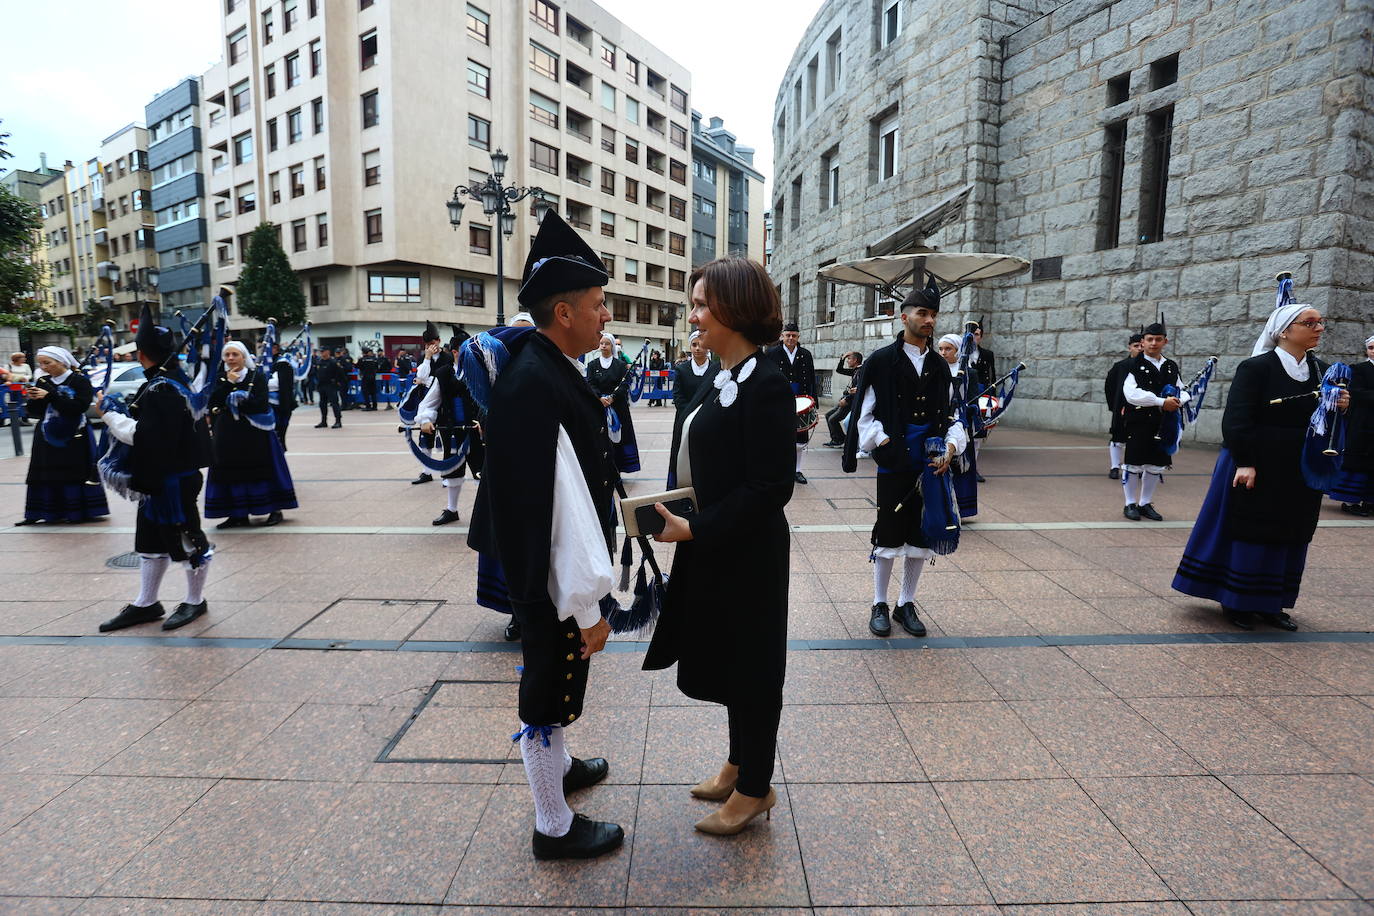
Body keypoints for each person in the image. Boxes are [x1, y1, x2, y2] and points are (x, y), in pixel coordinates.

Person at [467, 210, 623, 860]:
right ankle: (552, 825)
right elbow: (561, 509)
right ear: (564, 312)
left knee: (558, 688)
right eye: (597, 305)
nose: (605, 316)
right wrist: (588, 607)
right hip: (554, 579)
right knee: (547, 696)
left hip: (549, 573)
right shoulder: (538, 382)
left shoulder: (548, 366)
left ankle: (559, 769)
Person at [645, 257, 795, 836]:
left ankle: (756, 788)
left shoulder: (769, 382)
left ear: (734, 309)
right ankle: (738, 764)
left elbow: (770, 487)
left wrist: (696, 529)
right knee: (733, 662)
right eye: (694, 304)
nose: (694, 315)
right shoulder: (723, 375)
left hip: (748, 553)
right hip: (715, 545)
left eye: (703, 304)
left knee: (755, 669)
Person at [1173, 302, 1349, 631]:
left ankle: (1272, 603)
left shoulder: (1323, 371)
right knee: (1251, 527)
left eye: (1320, 322)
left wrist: (1340, 406)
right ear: (1283, 331)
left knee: (1291, 530)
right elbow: (1237, 419)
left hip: (1299, 465)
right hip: (1257, 461)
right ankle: (1237, 601)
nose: (1319, 328)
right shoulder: (1256, 368)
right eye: (1310, 323)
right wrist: (1245, 462)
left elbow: (1325, 422)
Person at [842, 279, 967, 639]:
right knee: (889, 533)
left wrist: (950, 449)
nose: (929, 320)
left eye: (933, 315)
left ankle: (905, 603)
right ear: (904, 317)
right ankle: (879, 603)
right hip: (895, 462)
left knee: (921, 535)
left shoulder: (941, 366)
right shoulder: (881, 361)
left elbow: (952, 414)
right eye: (922, 313)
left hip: (931, 463)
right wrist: (886, 447)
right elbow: (864, 416)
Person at [95, 304, 215, 632]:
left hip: (171, 481)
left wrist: (108, 414)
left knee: (187, 542)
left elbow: (144, 437)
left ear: (143, 354)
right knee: (150, 543)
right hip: (158, 479)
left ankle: (195, 600)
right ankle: (146, 603)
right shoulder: (168, 381)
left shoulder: (163, 388)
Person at [204, 342, 298, 529]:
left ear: (244, 357)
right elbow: (213, 401)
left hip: (255, 432)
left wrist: (240, 401)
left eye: (235, 354)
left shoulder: (257, 376)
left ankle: (274, 509)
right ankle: (237, 514)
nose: (230, 358)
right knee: (230, 471)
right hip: (228, 432)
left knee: (263, 469)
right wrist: (229, 385)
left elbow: (262, 404)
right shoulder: (220, 377)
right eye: (227, 355)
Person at [15, 346, 109, 526]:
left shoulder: (79, 381)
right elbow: (36, 412)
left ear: (61, 362)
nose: (43, 367)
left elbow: (78, 407)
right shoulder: (42, 381)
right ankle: (39, 511)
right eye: (41, 363)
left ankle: (76, 511)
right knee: (42, 471)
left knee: (72, 471)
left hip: (74, 434)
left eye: (47, 363)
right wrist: (33, 400)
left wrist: (50, 396)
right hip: (47, 433)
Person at [418, 330, 485, 526]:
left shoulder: (480, 372)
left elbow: (490, 401)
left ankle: (486, 512)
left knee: (483, 471)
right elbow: (430, 401)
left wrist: (486, 421)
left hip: (476, 430)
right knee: (453, 472)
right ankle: (452, 509)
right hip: (452, 431)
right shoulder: (444, 373)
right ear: (455, 352)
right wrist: (425, 420)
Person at [1120, 318, 1185, 521]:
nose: (1153, 343)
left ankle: (1145, 503)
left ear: (1165, 341)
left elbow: (1181, 388)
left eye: (1158, 339)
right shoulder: (1132, 364)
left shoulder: (1170, 366)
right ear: (1143, 341)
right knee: (1134, 462)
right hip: (1139, 421)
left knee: (1156, 465)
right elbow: (1131, 394)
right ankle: (1130, 503)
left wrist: (1179, 400)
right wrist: (1160, 401)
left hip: (1164, 422)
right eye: (1149, 339)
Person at [1328, 333, 1374, 515]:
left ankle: (1370, 500)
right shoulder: (1359, 369)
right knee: (1358, 461)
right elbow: (1356, 392)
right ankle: (1350, 501)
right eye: (1371, 348)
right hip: (1363, 422)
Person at [766, 322, 815, 484]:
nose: (791, 338)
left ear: (798, 337)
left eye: (794, 335)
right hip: (778, 399)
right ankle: (779, 469)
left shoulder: (806, 354)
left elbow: (812, 379)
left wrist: (813, 405)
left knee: (800, 437)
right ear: (782, 336)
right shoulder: (772, 353)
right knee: (778, 436)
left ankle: (797, 470)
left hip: (801, 399)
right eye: (788, 335)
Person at [586, 332, 641, 475]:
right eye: (601, 343)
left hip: (618, 407)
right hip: (599, 407)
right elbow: (590, 383)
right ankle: (603, 471)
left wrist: (612, 397)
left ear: (612, 346)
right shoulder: (592, 365)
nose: (604, 346)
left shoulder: (620, 365)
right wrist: (599, 397)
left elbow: (624, 385)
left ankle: (618, 469)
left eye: (607, 343)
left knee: (618, 440)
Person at [937, 334, 979, 520]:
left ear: (957, 350)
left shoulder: (969, 373)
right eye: (941, 349)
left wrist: (966, 412)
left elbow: (972, 399)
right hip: (940, 421)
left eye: (948, 349)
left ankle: (961, 509)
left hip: (960, 423)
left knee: (961, 466)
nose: (943, 353)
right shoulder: (936, 369)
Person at [407, 322, 449, 484]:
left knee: (446, 435)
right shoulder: (424, 358)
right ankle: (427, 471)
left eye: (433, 343)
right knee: (426, 436)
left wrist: (427, 380)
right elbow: (421, 377)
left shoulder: (447, 357)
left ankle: (448, 473)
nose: (431, 347)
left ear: (438, 341)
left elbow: (444, 378)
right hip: (427, 401)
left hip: (444, 400)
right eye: (428, 345)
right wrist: (427, 358)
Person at [1104, 333, 1145, 479]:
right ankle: (1115, 466)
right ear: (1129, 348)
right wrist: (1114, 406)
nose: (1139, 349)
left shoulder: (1150, 367)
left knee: (1139, 438)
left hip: (1143, 410)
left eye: (1142, 346)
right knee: (1118, 437)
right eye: (1136, 346)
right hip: (1122, 408)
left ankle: (1137, 467)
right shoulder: (1120, 366)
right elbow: (1110, 387)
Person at [671, 329, 718, 416]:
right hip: (685, 415)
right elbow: (678, 396)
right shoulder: (681, 369)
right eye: (694, 345)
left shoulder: (716, 369)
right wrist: (690, 412)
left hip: (709, 417)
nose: (697, 348)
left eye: (701, 345)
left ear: (708, 348)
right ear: (690, 347)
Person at [824, 351, 863, 446]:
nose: (847, 361)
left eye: (849, 359)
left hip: (849, 402)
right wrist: (842, 359)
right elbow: (839, 370)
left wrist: (846, 400)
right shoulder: (855, 370)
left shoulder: (861, 371)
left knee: (832, 419)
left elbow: (857, 389)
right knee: (828, 415)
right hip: (846, 399)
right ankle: (838, 439)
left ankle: (839, 440)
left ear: (855, 360)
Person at [267, 347, 297, 451]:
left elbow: (278, 384)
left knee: (279, 432)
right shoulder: (263, 361)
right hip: (267, 403)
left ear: (274, 348)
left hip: (281, 403)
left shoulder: (283, 363)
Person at [314, 347, 346, 428]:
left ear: (328, 352)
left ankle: (338, 421)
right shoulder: (319, 362)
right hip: (322, 385)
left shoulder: (333, 362)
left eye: (323, 351)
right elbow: (317, 373)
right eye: (320, 352)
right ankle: (323, 421)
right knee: (322, 404)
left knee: (334, 403)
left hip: (331, 385)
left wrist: (339, 383)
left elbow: (341, 374)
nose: (321, 353)